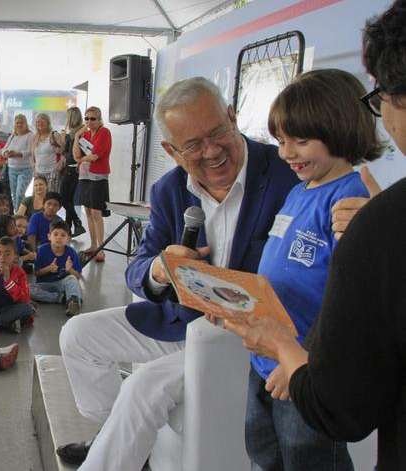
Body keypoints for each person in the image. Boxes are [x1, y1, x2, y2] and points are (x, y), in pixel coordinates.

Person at [56, 77, 298, 470]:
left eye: (218, 133)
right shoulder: (168, 190)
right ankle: (117, 436)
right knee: (76, 335)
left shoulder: (285, 176)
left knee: (143, 386)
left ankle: (114, 452)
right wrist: (160, 268)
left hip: (240, 340)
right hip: (180, 323)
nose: (212, 151)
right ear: (171, 150)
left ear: (233, 117)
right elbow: (139, 267)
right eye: (194, 145)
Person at [225, 4, 406, 469]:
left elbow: (350, 298)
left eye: (300, 141)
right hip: (267, 358)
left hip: (306, 365)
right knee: (263, 450)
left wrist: (300, 358)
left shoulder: (351, 197)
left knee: (308, 456)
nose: (287, 153)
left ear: (340, 129)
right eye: (281, 141)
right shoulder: (297, 191)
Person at [74, 106, 112, 263]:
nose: (89, 121)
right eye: (87, 118)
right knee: (88, 211)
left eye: (93, 118)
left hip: (98, 176)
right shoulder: (86, 134)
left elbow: (95, 156)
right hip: (85, 176)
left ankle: (101, 249)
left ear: (99, 119)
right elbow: (76, 155)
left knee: (96, 212)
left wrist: (81, 160)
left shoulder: (104, 132)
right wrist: (76, 137)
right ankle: (93, 245)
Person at [31, 220, 83, 317]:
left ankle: (73, 302)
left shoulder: (71, 252)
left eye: (63, 235)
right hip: (45, 285)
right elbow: (36, 273)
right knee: (28, 289)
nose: (59, 237)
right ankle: (62, 298)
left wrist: (70, 270)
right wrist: (48, 269)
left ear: (68, 239)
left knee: (72, 279)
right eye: (55, 234)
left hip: (63, 283)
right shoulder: (41, 250)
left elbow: (78, 276)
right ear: (49, 236)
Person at [60, 106, 87, 237]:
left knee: (64, 199)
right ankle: (69, 228)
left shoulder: (78, 134)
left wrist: (64, 140)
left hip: (72, 169)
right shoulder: (77, 132)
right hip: (73, 169)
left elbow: (69, 154)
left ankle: (77, 222)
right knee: (69, 200)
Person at [3, 114, 34, 210]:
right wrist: (6, 153)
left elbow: (31, 151)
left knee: (20, 193)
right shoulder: (12, 136)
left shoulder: (30, 135)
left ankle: (19, 214)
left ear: (26, 124)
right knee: (14, 195)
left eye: (21, 123)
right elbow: (4, 149)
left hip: (25, 169)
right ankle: (17, 212)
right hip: (12, 168)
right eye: (17, 123)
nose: (19, 125)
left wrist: (18, 154)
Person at [31, 113, 64, 192]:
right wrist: (34, 168)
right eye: (38, 122)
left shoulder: (54, 135)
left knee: (50, 195)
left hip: (52, 172)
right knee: (39, 195)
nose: (40, 124)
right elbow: (32, 155)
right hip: (38, 173)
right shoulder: (35, 137)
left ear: (48, 123)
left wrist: (59, 164)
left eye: (42, 121)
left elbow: (63, 152)